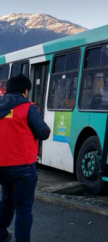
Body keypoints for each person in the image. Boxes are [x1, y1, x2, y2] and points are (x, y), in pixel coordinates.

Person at [0, 75, 51, 242]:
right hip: (23, 167)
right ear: (25, 91)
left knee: (7, 200)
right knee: (23, 209)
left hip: (2, 166)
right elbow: (44, 132)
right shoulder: (28, 108)